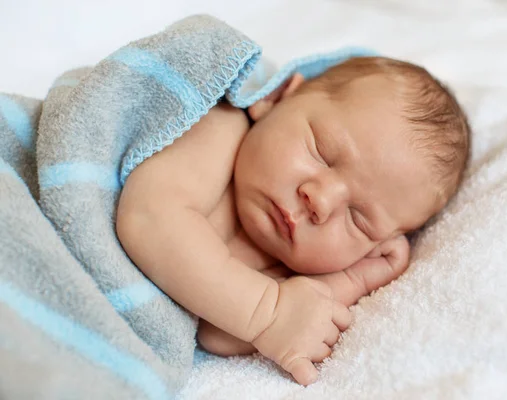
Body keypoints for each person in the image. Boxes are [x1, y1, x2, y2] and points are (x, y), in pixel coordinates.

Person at [116, 56, 471, 386]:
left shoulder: (278, 269)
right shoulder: (221, 128)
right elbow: (149, 217)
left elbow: (214, 329)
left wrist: (345, 281)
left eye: (358, 220)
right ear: (278, 97)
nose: (321, 200)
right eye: (321, 151)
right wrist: (266, 314)